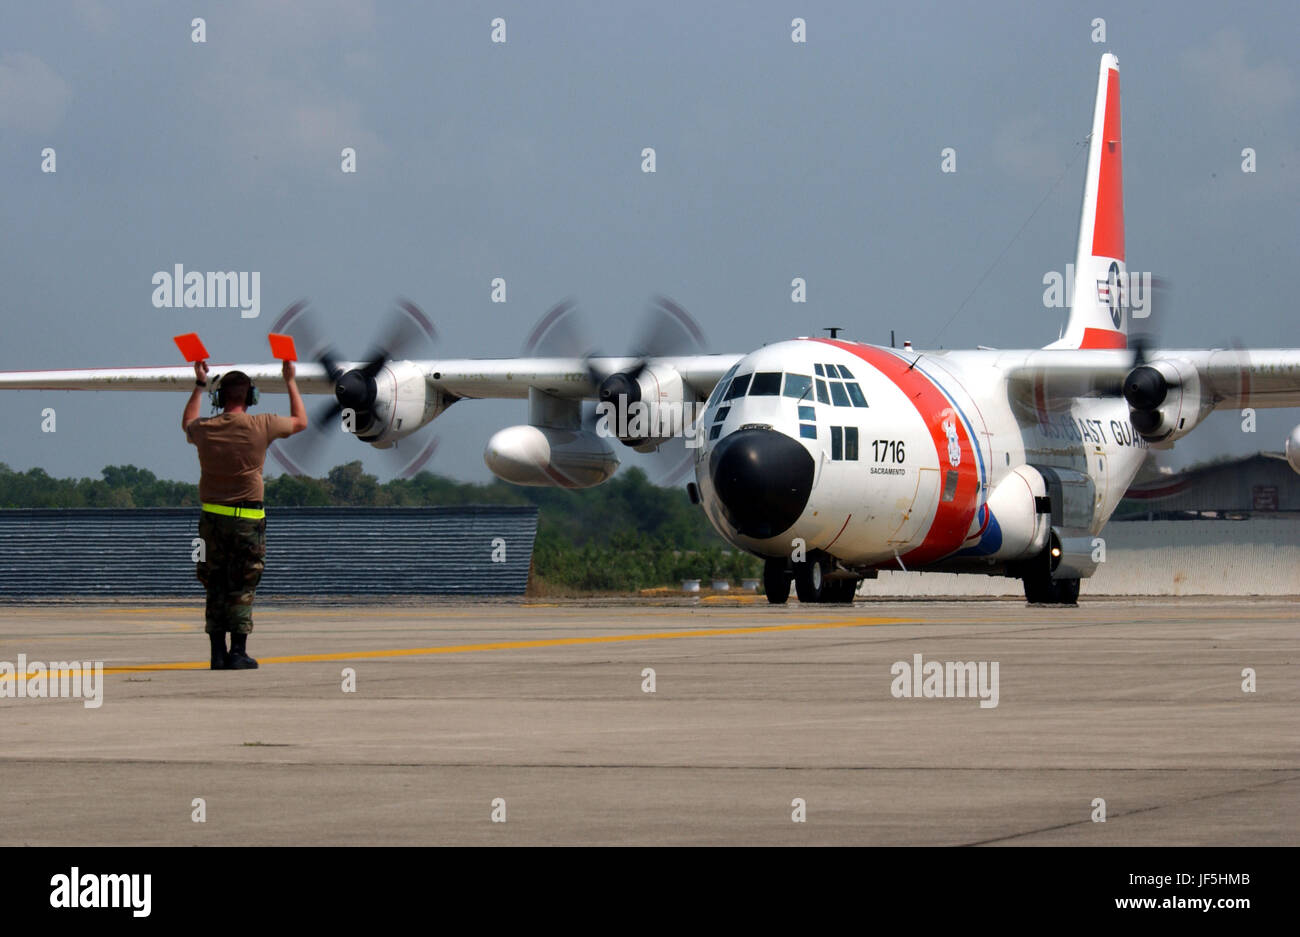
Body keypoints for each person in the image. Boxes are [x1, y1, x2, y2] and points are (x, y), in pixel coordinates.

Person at [183, 358, 308, 669]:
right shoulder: (261, 425)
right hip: (247, 520)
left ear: (219, 398)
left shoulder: (205, 429)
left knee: (214, 583)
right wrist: (290, 380)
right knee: (242, 584)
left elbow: (187, 423)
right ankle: (238, 652)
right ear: (250, 397)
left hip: (210, 521)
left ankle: (216, 653)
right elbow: (300, 421)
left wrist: (199, 384)